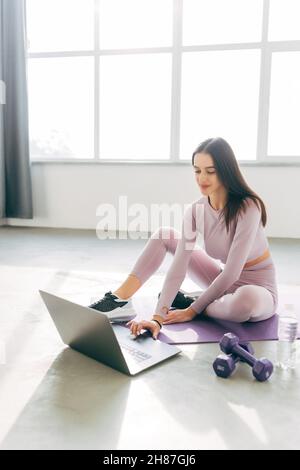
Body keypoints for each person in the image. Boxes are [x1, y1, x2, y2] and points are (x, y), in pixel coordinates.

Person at [89, 137, 278, 340]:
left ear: (226, 171)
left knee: (245, 302)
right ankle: (119, 300)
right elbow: (179, 267)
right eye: (197, 170)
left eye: (210, 171)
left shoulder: (248, 207)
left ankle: (194, 304)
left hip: (258, 290)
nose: (201, 178)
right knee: (164, 235)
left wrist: (193, 311)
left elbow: (232, 273)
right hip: (221, 281)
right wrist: (157, 318)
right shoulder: (196, 210)